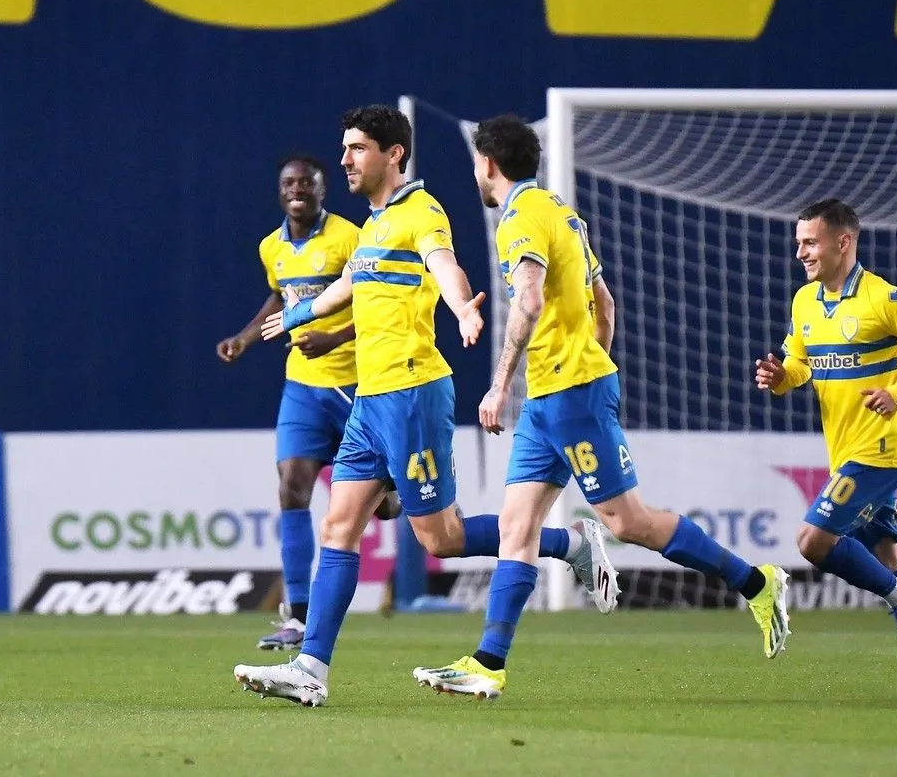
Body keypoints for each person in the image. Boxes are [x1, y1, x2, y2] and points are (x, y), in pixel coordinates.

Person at [232, 106, 615, 707]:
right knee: (338, 525)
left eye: (358, 148)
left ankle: (569, 544)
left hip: (413, 394)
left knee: (441, 538)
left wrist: (462, 309)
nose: (345, 159)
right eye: (345, 147)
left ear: (394, 155)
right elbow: (348, 285)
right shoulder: (374, 224)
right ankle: (310, 668)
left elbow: (446, 266)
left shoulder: (421, 210)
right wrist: (296, 313)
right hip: (370, 399)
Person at [411, 114, 791, 701]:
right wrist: (587, 365)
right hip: (553, 396)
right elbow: (604, 305)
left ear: (487, 163)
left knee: (628, 522)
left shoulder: (520, 218)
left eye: (478, 166)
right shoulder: (562, 212)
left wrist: (501, 384)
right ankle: (488, 663)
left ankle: (756, 582)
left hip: (568, 394)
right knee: (516, 526)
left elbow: (529, 300)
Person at [754, 198, 897, 701]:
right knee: (886, 558)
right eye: (798, 243)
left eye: (810, 243)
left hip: (880, 451)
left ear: (843, 241)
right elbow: (800, 363)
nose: (800, 253)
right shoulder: (804, 301)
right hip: (845, 451)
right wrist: (781, 376)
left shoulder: (885, 299)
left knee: (812, 541)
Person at [216, 155, 399, 651]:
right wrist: (244, 339)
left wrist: (334, 338)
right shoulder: (271, 247)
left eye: (306, 183)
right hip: (302, 386)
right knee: (291, 487)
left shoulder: (350, 237)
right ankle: (297, 615)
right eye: (289, 183)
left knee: (384, 509)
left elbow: (377, 301)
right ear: (280, 192)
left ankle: (402, 492)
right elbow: (280, 298)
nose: (297, 189)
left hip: (356, 385)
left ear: (322, 190)